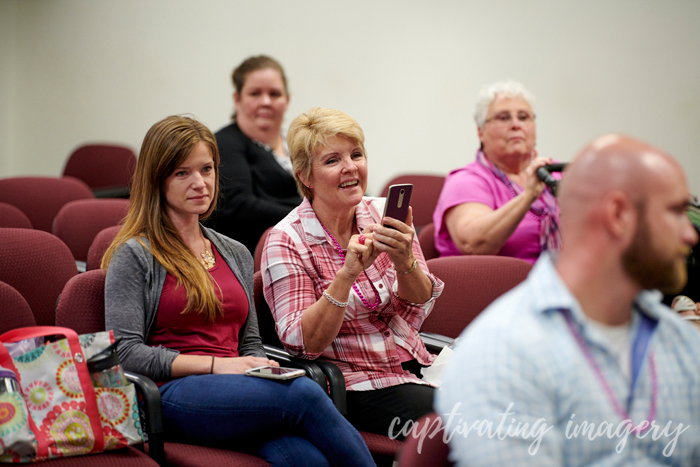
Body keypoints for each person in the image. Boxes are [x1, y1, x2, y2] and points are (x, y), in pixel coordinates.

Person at [102, 115, 375, 467]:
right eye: (182, 173)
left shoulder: (234, 252)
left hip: (237, 390)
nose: (200, 183)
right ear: (157, 180)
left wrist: (253, 368)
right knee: (305, 393)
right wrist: (219, 366)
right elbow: (126, 354)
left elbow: (248, 344)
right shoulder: (135, 255)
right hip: (168, 395)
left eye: (207, 169)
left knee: (307, 458)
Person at [436, 134, 700, 466]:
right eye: (675, 211)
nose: (690, 233)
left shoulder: (682, 343)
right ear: (618, 215)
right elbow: (473, 240)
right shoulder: (505, 351)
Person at [261, 107, 445, 438]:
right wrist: (345, 276)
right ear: (305, 176)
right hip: (355, 385)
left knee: (508, 398)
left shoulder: (382, 212)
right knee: (471, 419)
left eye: (356, 154)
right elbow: (303, 344)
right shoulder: (286, 240)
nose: (351, 167)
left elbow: (419, 305)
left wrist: (405, 261)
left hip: (417, 365)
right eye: (332, 161)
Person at [433, 80, 560, 264]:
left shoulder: (555, 173)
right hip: (495, 289)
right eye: (503, 117)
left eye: (524, 117)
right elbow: (473, 244)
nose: (516, 124)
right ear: (480, 132)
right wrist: (528, 196)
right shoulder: (466, 180)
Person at [204, 55, 302, 254]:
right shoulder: (224, 143)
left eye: (274, 94)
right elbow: (239, 206)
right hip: (257, 254)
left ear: (287, 100)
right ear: (237, 99)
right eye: (255, 93)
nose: (266, 101)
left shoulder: (300, 143)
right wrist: (315, 215)